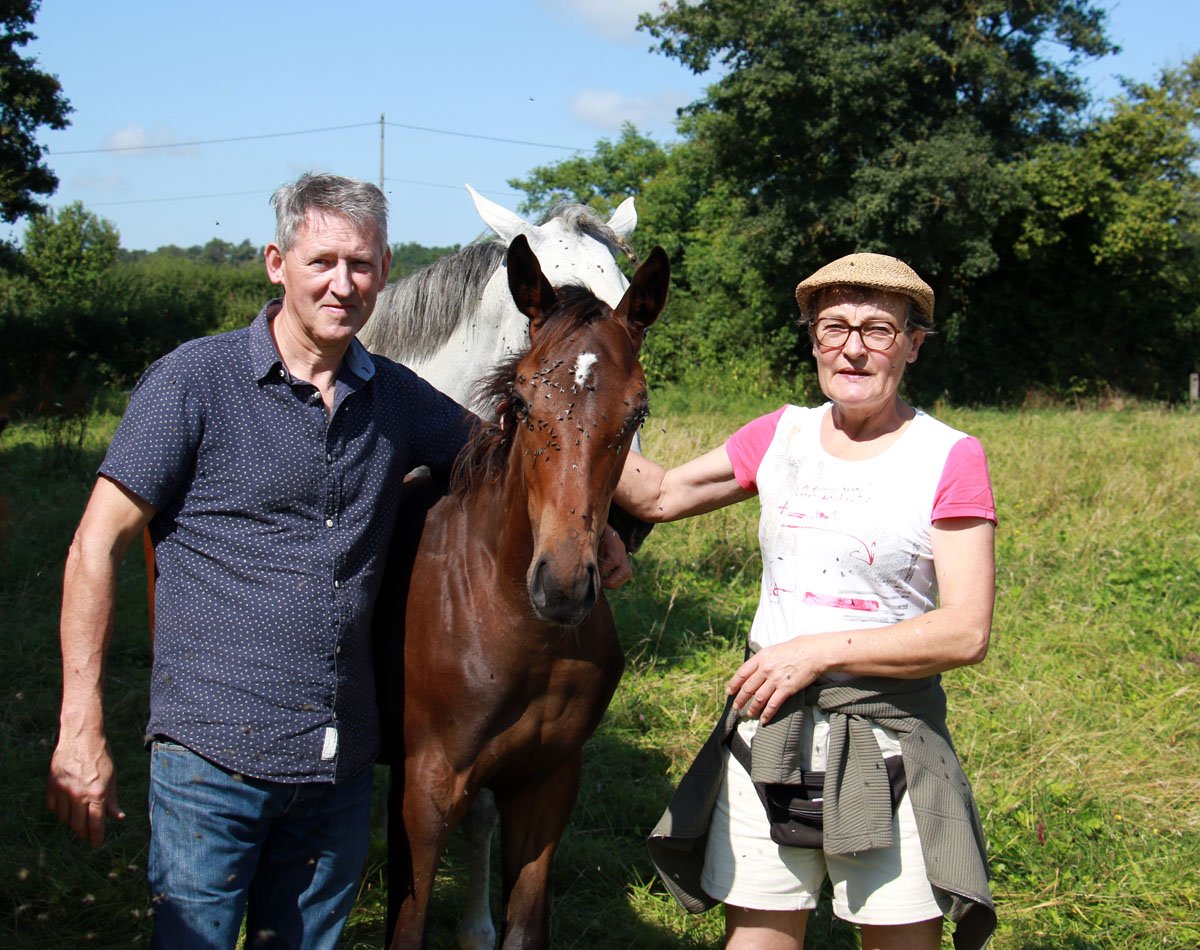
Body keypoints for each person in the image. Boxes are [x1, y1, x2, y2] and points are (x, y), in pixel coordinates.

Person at [45, 171, 632, 948]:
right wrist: (79, 722)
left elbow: (532, 446)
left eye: (360, 264)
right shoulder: (193, 382)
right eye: (321, 261)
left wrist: (594, 526)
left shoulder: (398, 396)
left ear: (385, 272)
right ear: (276, 263)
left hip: (336, 770)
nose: (342, 284)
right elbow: (94, 546)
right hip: (213, 758)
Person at [614, 253, 997, 949]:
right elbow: (661, 493)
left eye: (878, 329)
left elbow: (966, 631)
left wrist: (817, 653)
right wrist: (561, 411)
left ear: (913, 344)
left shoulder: (949, 456)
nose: (853, 348)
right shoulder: (780, 435)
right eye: (834, 327)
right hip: (770, 734)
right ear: (814, 339)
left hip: (890, 743)